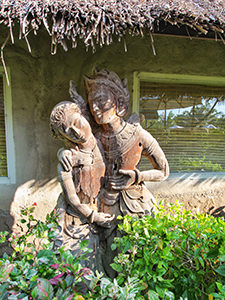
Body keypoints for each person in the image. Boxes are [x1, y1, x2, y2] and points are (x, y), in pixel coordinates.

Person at [84, 69, 170, 277]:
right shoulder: (93, 138)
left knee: (139, 258)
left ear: (118, 102)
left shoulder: (137, 134)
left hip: (136, 203)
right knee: (110, 259)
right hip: (107, 203)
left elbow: (164, 171)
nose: (95, 108)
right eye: (91, 103)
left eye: (101, 101)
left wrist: (138, 176)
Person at [50, 99, 113, 270]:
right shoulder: (68, 160)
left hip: (107, 207)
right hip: (79, 219)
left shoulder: (105, 142)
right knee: (82, 268)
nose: (76, 132)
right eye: (68, 132)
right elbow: (72, 198)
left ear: (83, 115)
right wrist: (93, 216)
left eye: (77, 122)